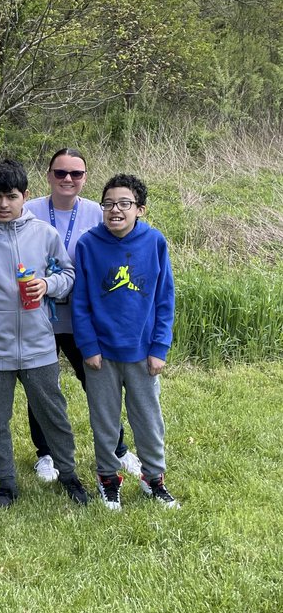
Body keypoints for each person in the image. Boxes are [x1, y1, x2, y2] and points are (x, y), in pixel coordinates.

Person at [0, 158, 90, 507]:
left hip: (39, 345)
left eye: (11, 196)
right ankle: (7, 482)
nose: (3, 204)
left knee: (53, 413)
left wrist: (47, 284)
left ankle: (69, 474)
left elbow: (68, 275)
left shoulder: (44, 234)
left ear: (26, 196)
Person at [26, 148, 141, 483]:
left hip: (83, 318)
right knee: (41, 387)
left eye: (76, 174)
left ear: (85, 178)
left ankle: (118, 449)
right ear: (48, 175)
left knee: (98, 385)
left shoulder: (96, 212)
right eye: (60, 173)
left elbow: (122, 249)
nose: (67, 180)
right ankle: (45, 454)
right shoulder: (30, 211)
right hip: (39, 315)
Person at [72, 174, 178, 510]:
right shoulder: (88, 245)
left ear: (140, 209)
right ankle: (107, 479)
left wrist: (159, 347)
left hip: (143, 353)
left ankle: (153, 479)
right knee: (104, 420)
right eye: (108, 203)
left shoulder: (154, 242)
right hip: (101, 354)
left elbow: (165, 298)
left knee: (148, 418)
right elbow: (81, 302)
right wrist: (88, 347)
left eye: (124, 204)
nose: (114, 209)